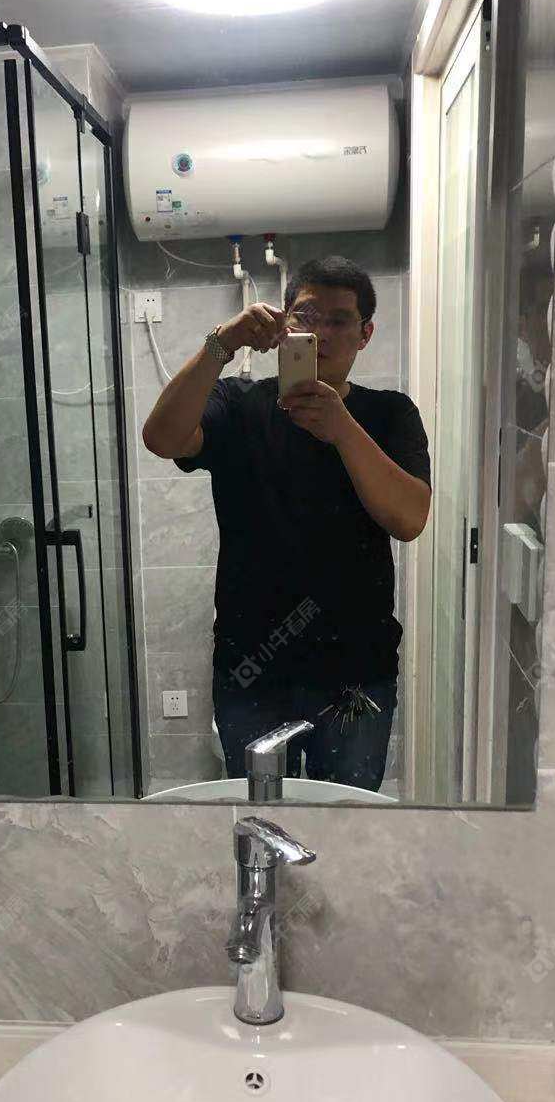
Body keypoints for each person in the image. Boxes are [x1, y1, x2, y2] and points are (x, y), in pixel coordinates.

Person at [141, 255, 431, 792]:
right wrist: (221, 345)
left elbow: (409, 519)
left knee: (344, 817)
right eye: (307, 316)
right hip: (250, 668)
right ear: (284, 323)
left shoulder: (391, 414)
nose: (322, 334)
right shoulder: (237, 404)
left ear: (365, 335)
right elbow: (161, 438)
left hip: (356, 671)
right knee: (259, 812)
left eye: (340, 320)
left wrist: (341, 428)